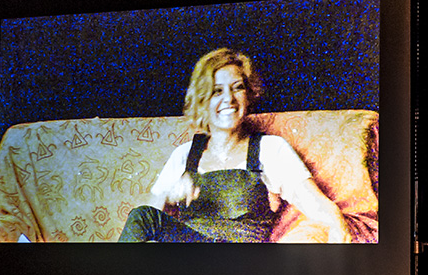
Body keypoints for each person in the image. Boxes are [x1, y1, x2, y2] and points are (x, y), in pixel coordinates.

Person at [119, 48, 350, 243]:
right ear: (202, 101)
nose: (228, 99)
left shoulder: (271, 149)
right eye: (217, 91)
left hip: (239, 263)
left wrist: (339, 229)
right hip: (189, 257)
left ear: (248, 95)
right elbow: (149, 214)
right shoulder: (184, 154)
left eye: (237, 87)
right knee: (142, 217)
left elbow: (316, 204)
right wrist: (169, 195)